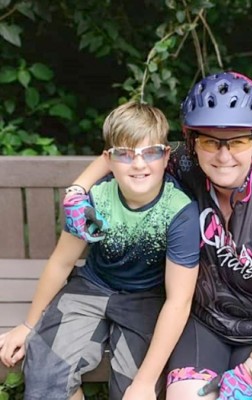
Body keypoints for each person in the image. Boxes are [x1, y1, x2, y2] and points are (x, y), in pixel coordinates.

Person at [66, 71, 252, 400]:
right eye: (209, 141)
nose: (223, 155)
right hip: (204, 319)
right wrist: (77, 191)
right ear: (192, 141)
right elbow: (126, 153)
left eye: (239, 140)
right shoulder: (187, 166)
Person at [0, 102, 200, 400]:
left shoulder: (180, 211)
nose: (139, 165)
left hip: (146, 297)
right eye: (125, 155)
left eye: (151, 153)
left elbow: (179, 301)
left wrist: (144, 383)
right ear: (109, 159)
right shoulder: (95, 198)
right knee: (45, 372)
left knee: (136, 388)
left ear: (166, 155)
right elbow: (62, 261)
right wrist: (29, 324)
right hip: (91, 286)